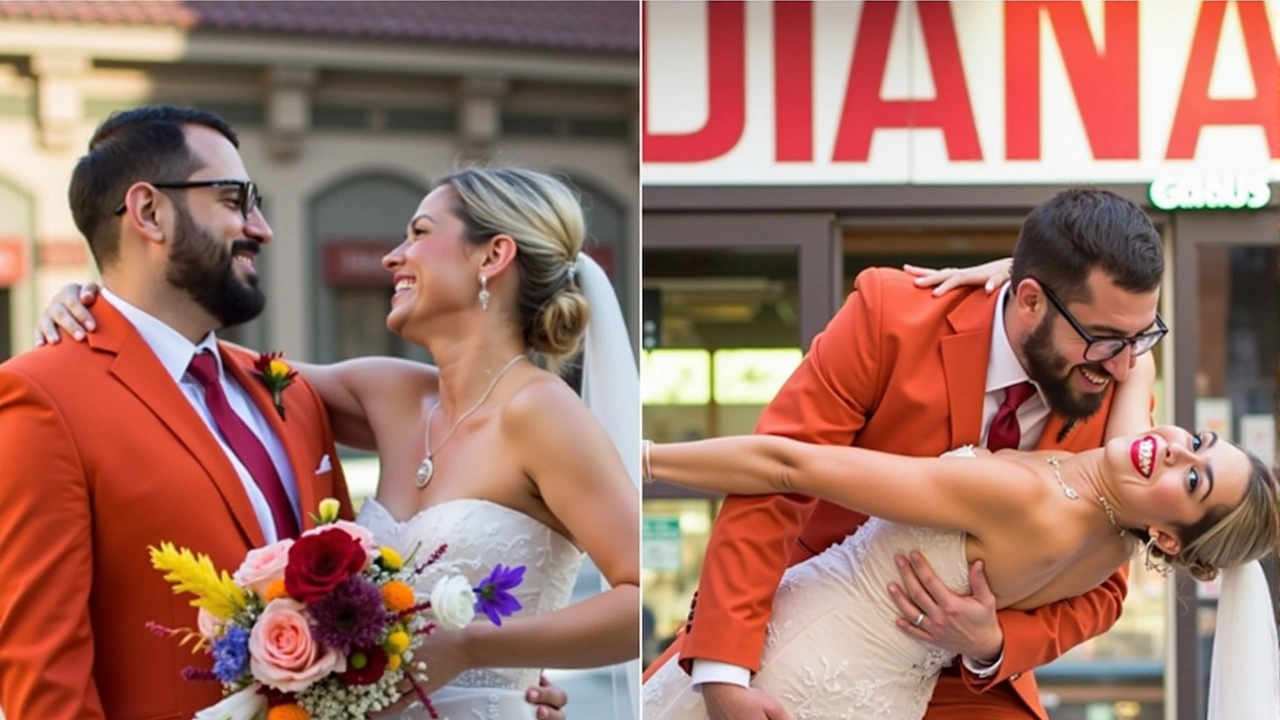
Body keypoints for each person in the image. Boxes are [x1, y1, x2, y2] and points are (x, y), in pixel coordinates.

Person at [3, 106, 571, 720]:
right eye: (235, 199)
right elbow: (43, 681)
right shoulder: (43, 397)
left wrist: (501, 689)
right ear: (148, 212)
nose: (263, 228)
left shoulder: (287, 391)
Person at [642, 188, 1174, 720]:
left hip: (970, 678)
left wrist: (994, 641)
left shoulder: (1116, 393)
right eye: (1104, 338)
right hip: (811, 623)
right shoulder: (889, 315)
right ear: (1030, 300)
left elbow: (1104, 587)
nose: (1123, 366)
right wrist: (724, 667)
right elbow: (780, 477)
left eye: (1142, 338)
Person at [639, 423, 1280, 720]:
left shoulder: (1028, 500)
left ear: (1169, 536)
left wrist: (645, 459)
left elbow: (791, 468)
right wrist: (1015, 272)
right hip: (880, 702)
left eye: (1192, 478)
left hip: (794, 658)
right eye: (1196, 440)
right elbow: (1137, 353)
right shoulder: (1113, 541)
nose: (1171, 450)